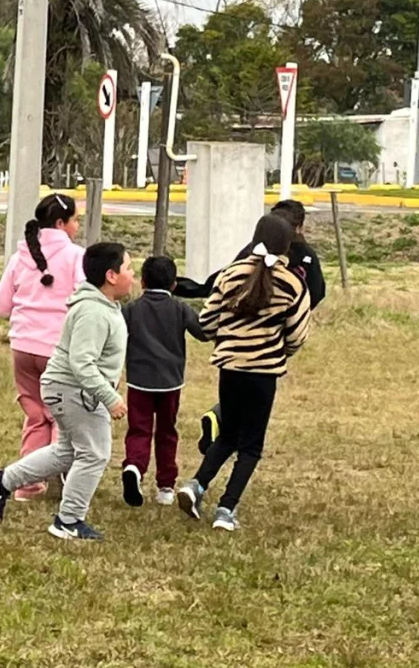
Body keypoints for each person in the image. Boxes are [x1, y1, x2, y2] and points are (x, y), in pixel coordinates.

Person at [0, 243, 133, 541]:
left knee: (68, 451)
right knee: (94, 454)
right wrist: (110, 397)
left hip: (72, 390)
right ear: (111, 276)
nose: (133, 275)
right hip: (75, 391)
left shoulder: (103, 307)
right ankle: (69, 520)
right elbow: (82, 363)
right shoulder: (93, 311)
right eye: (129, 268)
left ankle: (4, 480)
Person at [177, 215, 311, 533]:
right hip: (264, 374)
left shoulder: (230, 275)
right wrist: (277, 350)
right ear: (287, 246)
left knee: (228, 434)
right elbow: (297, 335)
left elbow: (207, 323)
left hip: (230, 369)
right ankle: (226, 509)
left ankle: (196, 485)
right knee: (251, 446)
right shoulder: (293, 284)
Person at [178, 199, 326, 454]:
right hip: (273, 337)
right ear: (300, 227)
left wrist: (185, 288)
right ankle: (226, 425)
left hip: (235, 338)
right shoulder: (306, 256)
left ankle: (219, 417)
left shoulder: (252, 251)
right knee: (255, 408)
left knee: (237, 385)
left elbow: (221, 281)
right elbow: (317, 291)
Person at [0, 193, 87, 500]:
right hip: (58, 349)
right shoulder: (76, 256)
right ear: (61, 223)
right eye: (75, 220)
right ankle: (63, 473)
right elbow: (85, 301)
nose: (77, 226)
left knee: (35, 414)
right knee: (61, 413)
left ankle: (27, 484)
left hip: (22, 347)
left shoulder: (20, 257)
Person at [120, 255, 208, 508]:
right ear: (174, 284)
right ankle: (166, 486)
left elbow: (115, 335)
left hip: (139, 381)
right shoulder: (180, 308)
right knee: (167, 431)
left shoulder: (131, 309)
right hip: (170, 382)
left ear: (143, 282)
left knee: (139, 429)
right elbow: (203, 333)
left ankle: (134, 466)